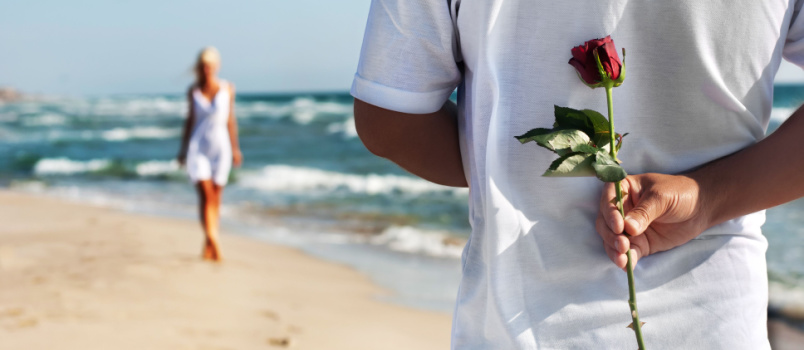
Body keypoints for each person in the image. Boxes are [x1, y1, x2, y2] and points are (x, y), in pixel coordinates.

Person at [351, 1, 804, 349]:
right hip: (718, 323)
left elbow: (390, 119)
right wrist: (708, 196)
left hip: (521, 326)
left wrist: (512, 171)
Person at [178, 47, 243, 262]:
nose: (207, 69)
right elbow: (189, 122)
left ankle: (208, 241)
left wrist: (235, 148)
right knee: (206, 196)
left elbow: (230, 120)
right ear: (199, 68)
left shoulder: (227, 89)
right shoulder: (193, 91)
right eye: (203, 65)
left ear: (216, 66)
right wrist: (183, 149)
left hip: (221, 148)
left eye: (210, 65)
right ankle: (215, 242)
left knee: (216, 197)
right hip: (198, 148)